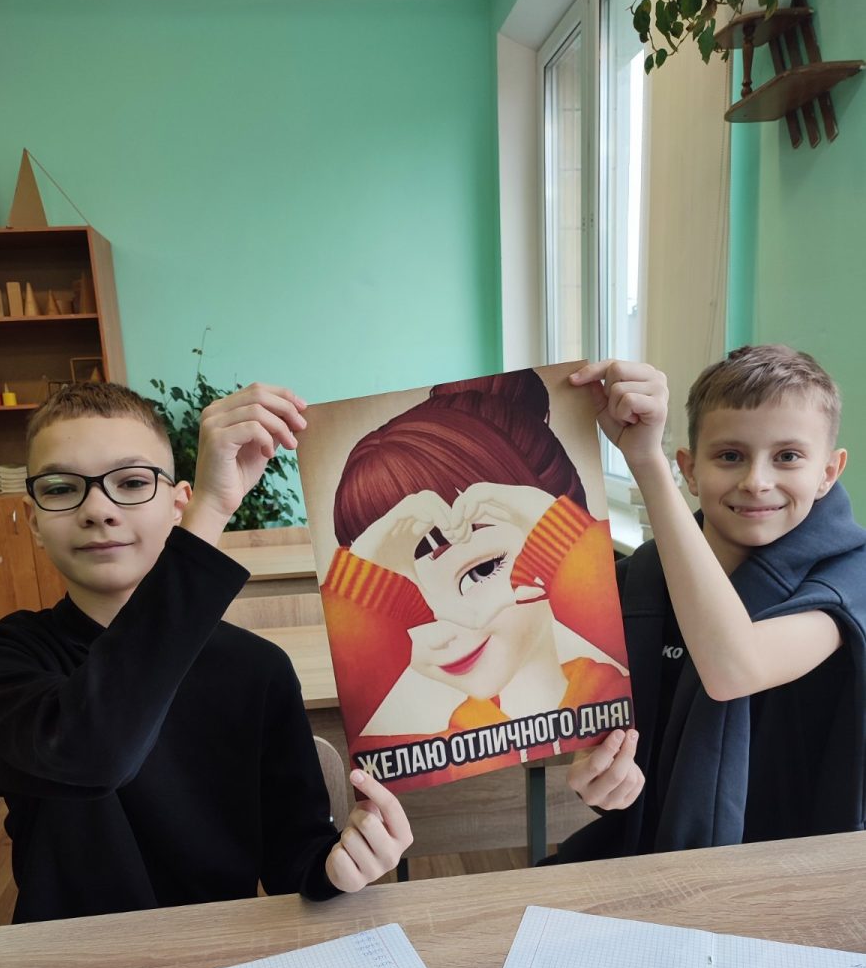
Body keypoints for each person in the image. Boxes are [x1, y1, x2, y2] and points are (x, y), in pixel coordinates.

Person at [0, 381, 412, 922]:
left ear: (178, 504)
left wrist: (341, 867)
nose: (98, 509)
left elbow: (294, 860)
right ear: (34, 520)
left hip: (216, 952)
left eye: (132, 482)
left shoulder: (257, 669)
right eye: (61, 488)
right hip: (67, 959)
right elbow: (91, 752)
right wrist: (212, 510)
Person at [545, 344, 866, 863]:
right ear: (691, 471)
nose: (757, 481)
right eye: (730, 456)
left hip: (805, 874)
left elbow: (734, 667)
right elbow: (596, 747)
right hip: (648, 860)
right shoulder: (632, 585)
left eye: (787, 456)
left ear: (829, 471)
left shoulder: (853, 576)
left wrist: (645, 461)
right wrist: (601, 776)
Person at [318, 370, 638, 801]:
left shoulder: (619, 701)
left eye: (481, 570)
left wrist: (565, 534)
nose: (442, 629)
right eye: (398, 606)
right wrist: (360, 576)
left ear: (557, 551)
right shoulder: (424, 755)